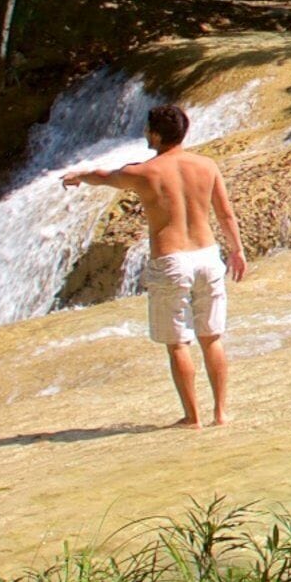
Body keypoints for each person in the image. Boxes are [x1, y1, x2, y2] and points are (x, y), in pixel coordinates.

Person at [62, 100, 244, 427]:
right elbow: (226, 214)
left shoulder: (143, 172)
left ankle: (192, 418)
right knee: (211, 338)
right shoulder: (207, 166)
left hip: (171, 261)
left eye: (147, 129)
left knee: (178, 344)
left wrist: (79, 175)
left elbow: (105, 176)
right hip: (207, 256)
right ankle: (221, 413)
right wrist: (237, 251)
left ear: (156, 135)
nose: (145, 133)